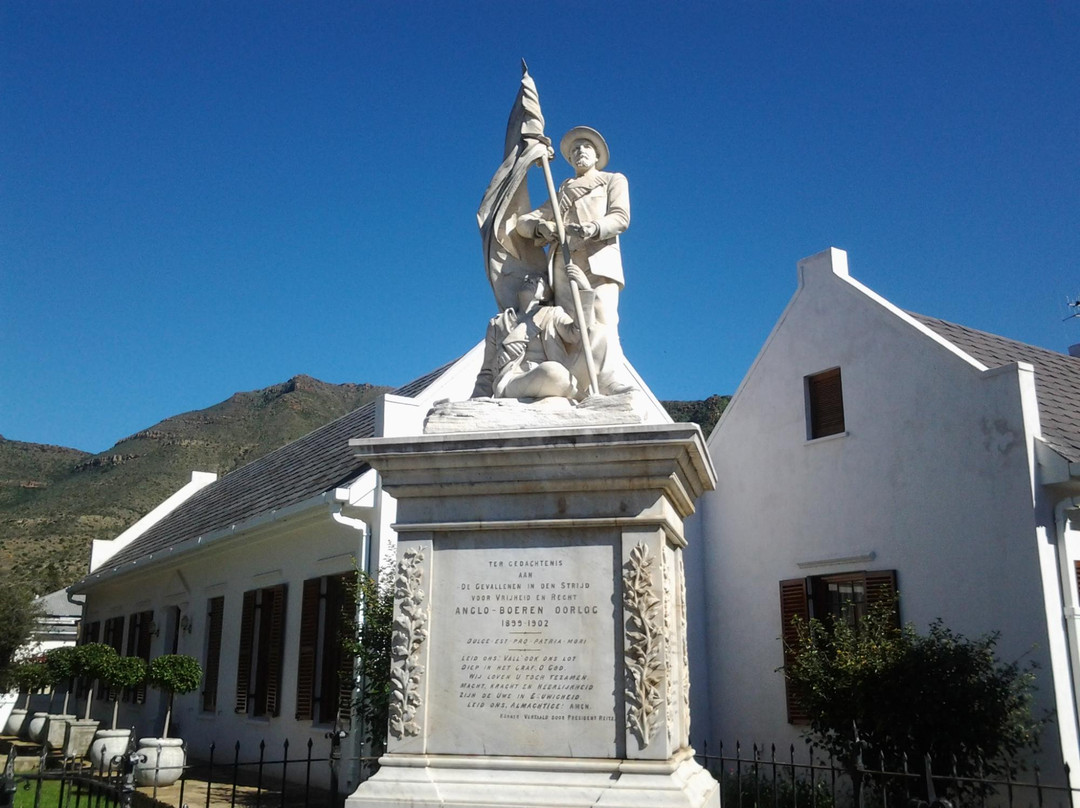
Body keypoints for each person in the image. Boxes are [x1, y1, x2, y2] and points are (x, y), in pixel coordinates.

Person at [515, 126, 630, 394]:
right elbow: (525, 223)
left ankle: (609, 380)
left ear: (597, 153)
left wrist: (593, 228)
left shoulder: (612, 180)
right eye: (574, 149)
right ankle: (573, 386)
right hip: (564, 264)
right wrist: (542, 228)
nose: (579, 152)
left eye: (585, 147)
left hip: (598, 260)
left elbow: (621, 217)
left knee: (603, 318)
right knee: (570, 325)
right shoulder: (562, 193)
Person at [471, 266, 603, 400]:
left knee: (599, 335)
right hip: (513, 380)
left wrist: (585, 290)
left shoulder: (552, 313)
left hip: (552, 371)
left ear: (544, 294)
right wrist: (476, 399)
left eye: (538, 280)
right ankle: (582, 397)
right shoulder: (498, 323)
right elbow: (487, 371)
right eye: (527, 279)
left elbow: (577, 333)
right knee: (551, 371)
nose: (530, 280)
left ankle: (589, 392)